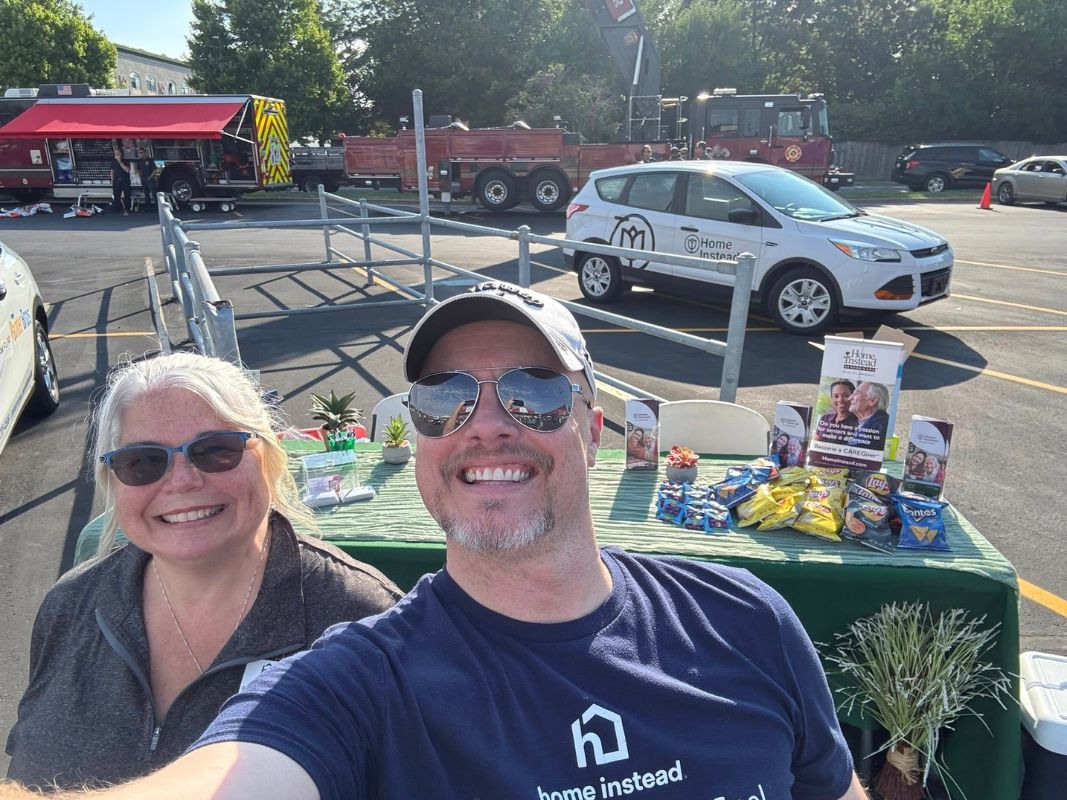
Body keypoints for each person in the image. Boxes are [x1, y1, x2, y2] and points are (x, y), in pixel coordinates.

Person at [0, 284, 868, 800]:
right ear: (419, 438)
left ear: (594, 428)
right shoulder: (354, 679)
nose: (486, 426)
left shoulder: (743, 616)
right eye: (444, 400)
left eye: (533, 392)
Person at [4, 352, 402, 791]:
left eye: (216, 450)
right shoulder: (71, 605)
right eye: (142, 462)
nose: (181, 482)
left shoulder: (358, 618)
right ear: (114, 480)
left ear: (267, 458)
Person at [845, 382, 890, 449]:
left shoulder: (878, 426)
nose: (850, 398)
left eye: (857, 393)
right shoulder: (868, 422)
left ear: (873, 400)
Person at [814, 380, 857, 444]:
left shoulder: (859, 423)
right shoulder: (825, 418)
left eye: (846, 396)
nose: (840, 400)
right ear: (831, 398)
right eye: (836, 396)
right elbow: (816, 441)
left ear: (853, 397)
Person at [110, 143, 132, 215]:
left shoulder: (126, 161)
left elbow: (127, 170)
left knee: (127, 196)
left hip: (125, 180)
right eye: (115, 153)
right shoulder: (113, 161)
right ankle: (117, 209)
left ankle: (127, 209)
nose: (116, 154)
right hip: (116, 181)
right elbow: (112, 171)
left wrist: (120, 162)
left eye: (117, 153)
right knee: (116, 195)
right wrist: (112, 178)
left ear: (121, 153)